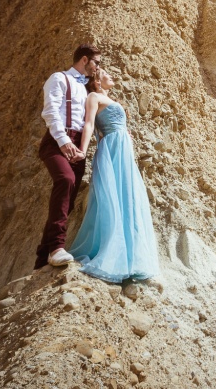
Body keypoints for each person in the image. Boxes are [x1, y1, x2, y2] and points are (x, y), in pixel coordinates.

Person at [68, 68, 160, 282]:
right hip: (112, 149)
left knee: (128, 196)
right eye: (106, 74)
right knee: (113, 196)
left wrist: (124, 132)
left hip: (123, 149)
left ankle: (131, 258)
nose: (112, 76)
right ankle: (114, 255)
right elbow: (89, 123)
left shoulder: (110, 99)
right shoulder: (94, 97)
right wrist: (83, 150)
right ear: (97, 80)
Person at [35, 44, 102, 269]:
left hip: (78, 143)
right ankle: (56, 247)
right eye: (96, 62)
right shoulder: (59, 78)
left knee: (69, 198)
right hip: (57, 140)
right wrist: (64, 142)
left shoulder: (87, 88)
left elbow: (90, 120)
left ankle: (42, 259)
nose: (97, 67)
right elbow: (50, 111)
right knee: (65, 179)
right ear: (84, 60)